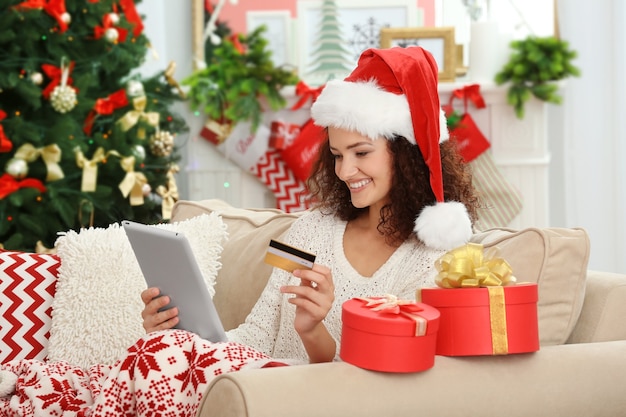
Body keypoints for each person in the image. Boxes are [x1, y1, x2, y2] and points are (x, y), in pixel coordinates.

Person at [136, 45, 479, 414]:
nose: (345, 171)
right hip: (254, 390)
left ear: (407, 152)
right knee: (152, 356)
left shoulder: (435, 262)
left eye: (361, 153)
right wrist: (182, 341)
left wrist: (314, 331)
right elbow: (256, 334)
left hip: (307, 403)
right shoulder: (309, 228)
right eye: (337, 155)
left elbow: (376, 390)